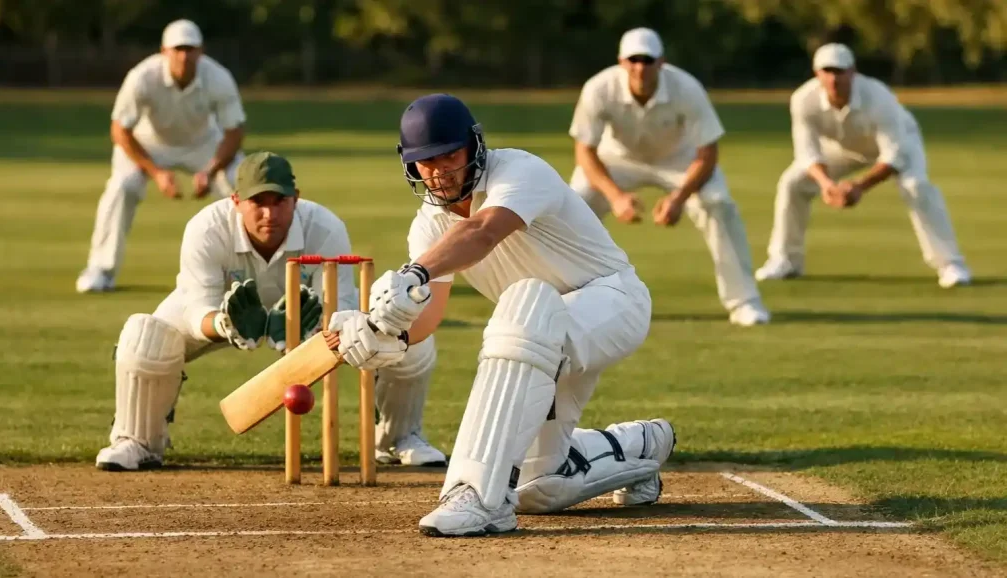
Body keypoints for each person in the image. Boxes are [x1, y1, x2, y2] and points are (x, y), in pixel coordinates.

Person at [326, 94, 677, 538]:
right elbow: (427, 317)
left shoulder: (520, 171)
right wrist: (385, 334)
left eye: (448, 154)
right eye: (425, 161)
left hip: (612, 302)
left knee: (526, 301)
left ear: (474, 146)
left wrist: (415, 273)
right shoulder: (428, 225)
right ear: (409, 165)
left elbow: (482, 231)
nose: (439, 170)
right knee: (539, 487)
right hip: (538, 344)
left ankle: (476, 496)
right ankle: (642, 447)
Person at [95, 151, 446, 471]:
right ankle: (137, 441)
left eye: (279, 201)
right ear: (235, 201)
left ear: (297, 199)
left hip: (311, 322)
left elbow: (341, 311)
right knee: (145, 337)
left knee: (403, 335)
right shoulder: (207, 229)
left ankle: (399, 438)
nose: (269, 213)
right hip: (221, 312)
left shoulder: (325, 228)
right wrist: (226, 322)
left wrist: (311, 329)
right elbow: (194, 309)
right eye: (257, 202)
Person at [567, 27, 769, 326]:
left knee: (718, 203)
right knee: (575, 204)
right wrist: (616, 196)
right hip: (617, 159)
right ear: (622, 62)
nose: (640, 67)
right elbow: (585, 151)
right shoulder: (599, 88)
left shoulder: (687, 87)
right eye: (633, 60)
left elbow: (708, 151)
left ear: (661, 62)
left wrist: (679, 198)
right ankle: (568, 296)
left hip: (680, 160)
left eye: (647, 60)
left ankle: (744, 302)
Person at [755, 43, 971, 288]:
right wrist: (827, 186)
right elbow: (807, 153)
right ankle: (785, 260)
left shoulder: (879, 97)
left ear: (853, 71)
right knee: (793, 182)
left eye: (840, 71)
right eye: (827, 71)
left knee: (916, 187)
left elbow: (894, 155)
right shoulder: (803, 99)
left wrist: (859, 186)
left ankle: (951, 264)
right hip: (843, 147)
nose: (834, 78)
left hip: (901, 143)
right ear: (817, 73)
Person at [77, 19, 248, 293]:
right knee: (122, 187)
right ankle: (101, 269)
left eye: (190, 49)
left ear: (200, 51)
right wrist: (156, 172)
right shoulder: (142, 77)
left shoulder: (218, 77)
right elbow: (120, 130)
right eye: (178, 49)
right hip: (148, 144)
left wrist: (211, 169)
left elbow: (235, 130)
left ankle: (243, 273)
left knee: (239, 186)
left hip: (202, 143)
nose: (184, 55)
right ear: (164, 51)